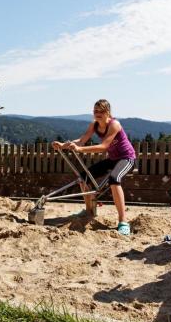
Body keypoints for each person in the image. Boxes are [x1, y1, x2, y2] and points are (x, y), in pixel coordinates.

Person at [52, 99, 136, 235]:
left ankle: (123, 221)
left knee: (114, 179)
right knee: (83, 178)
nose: (98, 113)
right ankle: (89, 210)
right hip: (113, 159)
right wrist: (63, 145)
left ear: (108, 112)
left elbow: (103, 147)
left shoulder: (114, 125)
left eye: (101, 111)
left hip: (127, 159)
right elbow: (81, 140)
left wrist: (79, 149)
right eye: (95, 111)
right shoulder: (94, 125)